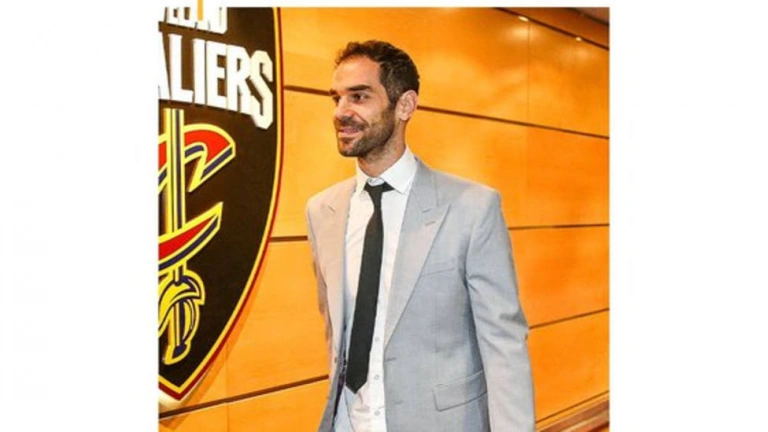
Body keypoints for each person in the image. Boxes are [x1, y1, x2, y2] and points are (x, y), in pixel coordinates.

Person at [305, 40, 534, 432]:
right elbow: (336, 334)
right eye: (336, 98)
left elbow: (504, 346)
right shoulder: (322, 211)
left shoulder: (471, 208)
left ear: (405, 105)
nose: (341, 112)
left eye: (359, 96)